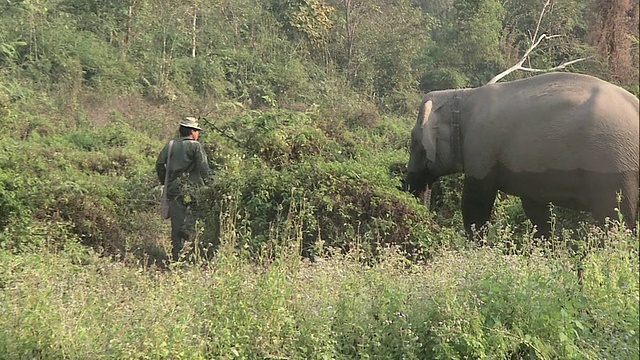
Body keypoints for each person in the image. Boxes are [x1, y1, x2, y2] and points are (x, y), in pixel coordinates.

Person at [156, 117, 210, 262]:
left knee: (177, 223)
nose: (198, 133)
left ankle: (176, 258)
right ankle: (191, 249)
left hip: (174, 190)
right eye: (197, 130)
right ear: (192, 132)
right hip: (193, 190)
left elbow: (160, 165)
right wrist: (212, 186)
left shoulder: (171, 145)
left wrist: (166, 183)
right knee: (194, 217)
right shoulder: (196, 146)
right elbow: (204, 168)